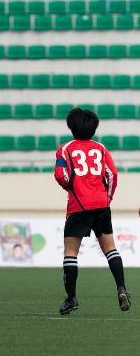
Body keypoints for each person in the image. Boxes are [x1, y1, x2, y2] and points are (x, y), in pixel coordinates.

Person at [54, 108, 131, 315]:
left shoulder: (65, 149)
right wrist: (108, 197)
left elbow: (60, 175)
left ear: (71, 127)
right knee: (110, 249)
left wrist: (71, 187)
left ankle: (71, 298)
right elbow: (112, 174)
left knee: (71, 252)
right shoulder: (101, 148)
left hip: (78, 205)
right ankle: (121, 288)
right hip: (101, 203)